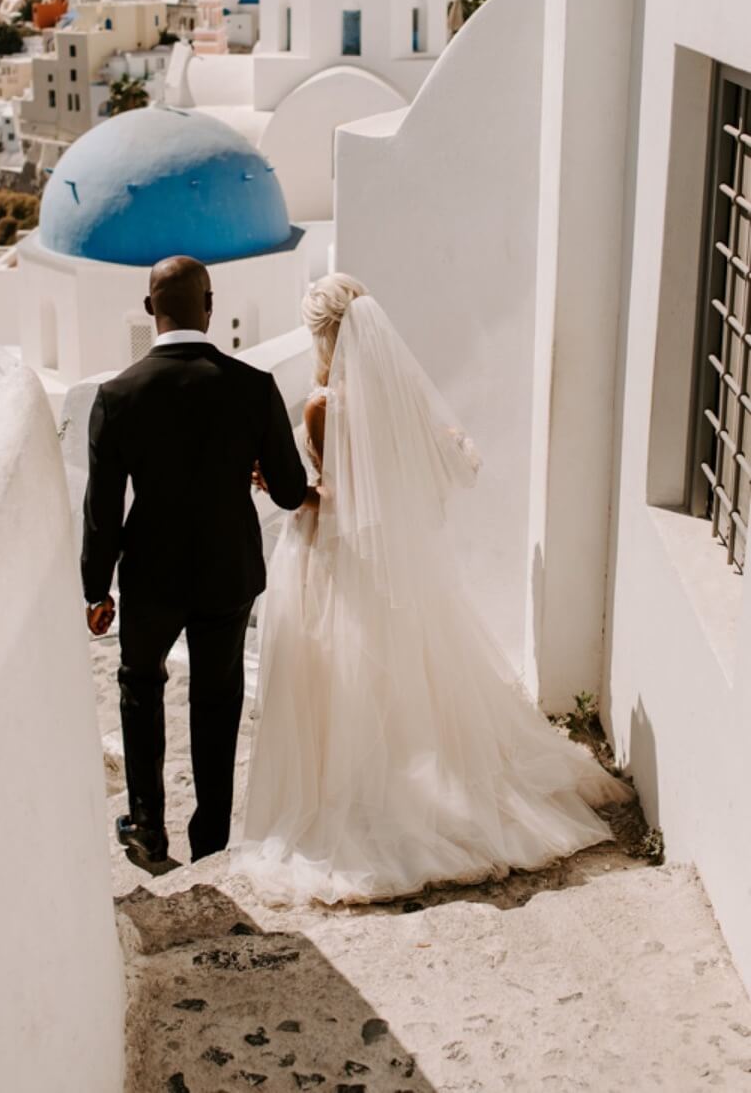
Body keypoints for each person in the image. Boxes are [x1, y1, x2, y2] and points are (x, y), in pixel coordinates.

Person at [236, 274, 631, 905]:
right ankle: (417, 778)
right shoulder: (402, 395)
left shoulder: (322, 407)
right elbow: (425, 471)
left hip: (340, 560)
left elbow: (337, 499)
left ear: (324, 334)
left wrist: (286, 487)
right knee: (407, 669)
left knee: (349, 675)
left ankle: (368, 794)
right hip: (396, 562)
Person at [82, 255, 310, 865]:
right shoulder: (252, 387)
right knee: (217, 698)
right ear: (210, 307)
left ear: (151, 309)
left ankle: (149, 826)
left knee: (139, 686)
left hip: (149, 574)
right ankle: (210, 840)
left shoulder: (116, 395)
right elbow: (290, 491)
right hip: (227, 571)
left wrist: (95, 590)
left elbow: (101, 507)